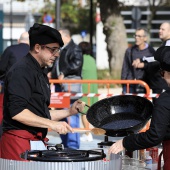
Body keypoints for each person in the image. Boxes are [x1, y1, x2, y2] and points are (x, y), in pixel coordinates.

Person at [0, 23, 85, 160]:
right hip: (17, 142)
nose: (57, 54)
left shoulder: (41, 72)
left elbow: (40, 113)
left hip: (34, 142)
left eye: (58, 50)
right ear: (37, 48)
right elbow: (17, 112)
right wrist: (52, 124)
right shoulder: (21, 71)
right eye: (53, 50)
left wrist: (69, 111)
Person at [109, 41, 170, 170]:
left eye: (161, 72)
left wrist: (125, 142)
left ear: (167, 73)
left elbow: (154, 136)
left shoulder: (165, 100)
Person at [50, 28, 83, 149]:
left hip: (70, 85)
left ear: (66, 36)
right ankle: (65, 141)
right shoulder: (62, 49)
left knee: (72, 113)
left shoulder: (75, 48)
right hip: (60, 85)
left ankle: (73, 145)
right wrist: (52, 73)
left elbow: (77, 64)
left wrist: (64, 72)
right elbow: (56, 65)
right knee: (61, 114)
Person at [0, 32, 30, 137]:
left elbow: (2, 68)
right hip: (29, 89)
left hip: (10, 88)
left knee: (4, 111)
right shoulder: (34, 52)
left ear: (19, 40)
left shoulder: (10, 49)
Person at [121, 27, 156, 94]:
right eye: (135, 36)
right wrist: (123, 83)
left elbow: (153, 67)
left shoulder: (150, 51)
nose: (136, 38)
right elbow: (125, 67)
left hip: (143, 84)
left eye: (139, 36)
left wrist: (143, 65)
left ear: (145, 38)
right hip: (130, 83)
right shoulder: (129, 50)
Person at [78, 41, 98, 142]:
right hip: (93, 87)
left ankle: (87, 133)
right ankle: (89, 132)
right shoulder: (92, 59)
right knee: (89, 110)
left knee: (83, 112)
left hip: (85, 88)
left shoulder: (81, 59)